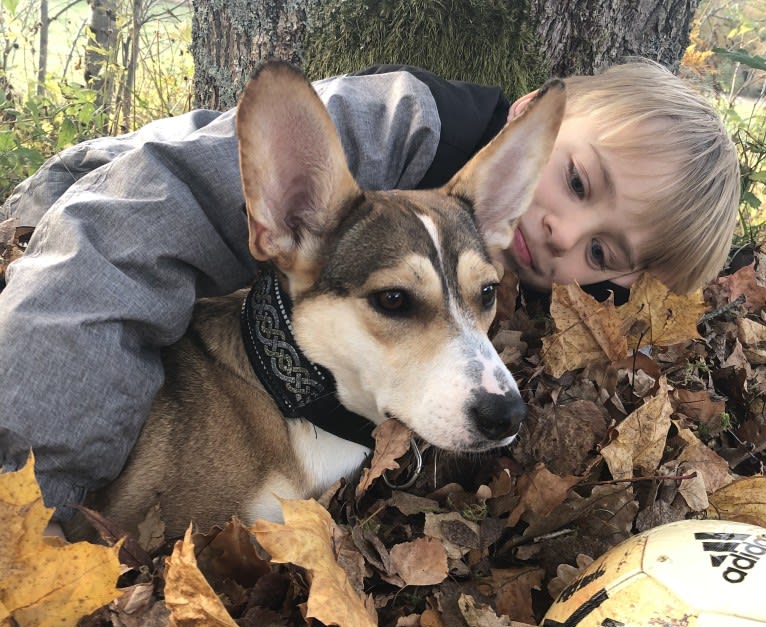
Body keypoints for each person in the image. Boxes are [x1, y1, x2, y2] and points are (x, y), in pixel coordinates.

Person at [0, 59, 739, 523]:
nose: (559, 231)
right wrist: (30, 488)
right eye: (576, 181)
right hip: (93, 203)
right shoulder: (381, 128)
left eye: (601, 251)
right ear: (526, 134)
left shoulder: (507, 254)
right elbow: (128, 227)